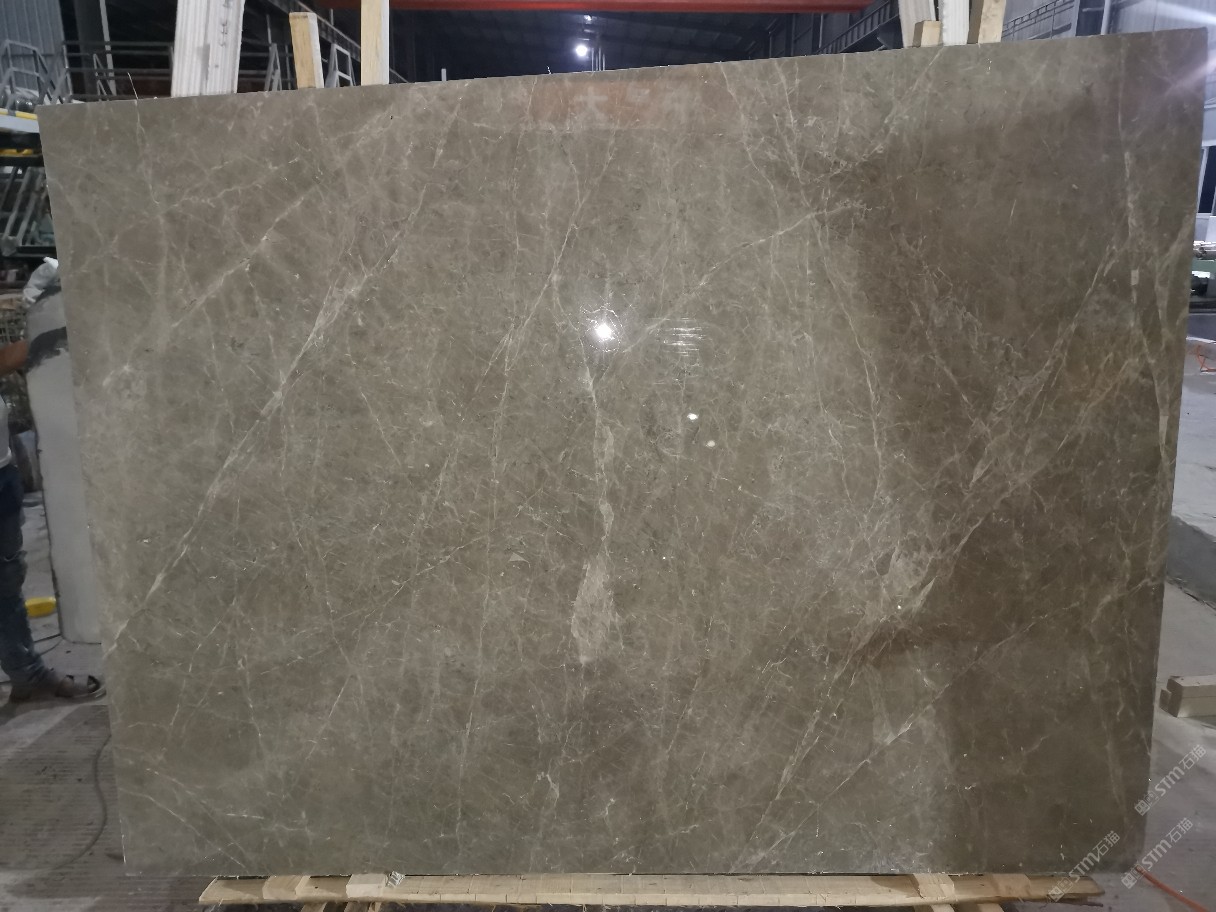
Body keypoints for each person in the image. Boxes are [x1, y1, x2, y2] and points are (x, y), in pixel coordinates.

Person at [0, 326, 103, 701]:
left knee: (7, 580)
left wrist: (68, 323)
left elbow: (5, 359)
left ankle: (27, 674)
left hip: (2, 475)